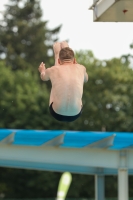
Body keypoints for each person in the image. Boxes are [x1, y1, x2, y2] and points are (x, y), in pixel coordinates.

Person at [38, 41, 88, 122]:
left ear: (58, 61)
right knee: (78, 81)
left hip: (56, 113)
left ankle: (57, 53)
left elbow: (43, 77)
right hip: (76, 114)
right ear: (74, 60)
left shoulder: (53, 70)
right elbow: (86, 79)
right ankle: (62, 51)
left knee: (55, 79)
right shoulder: (81, 68)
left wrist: (42, 70)